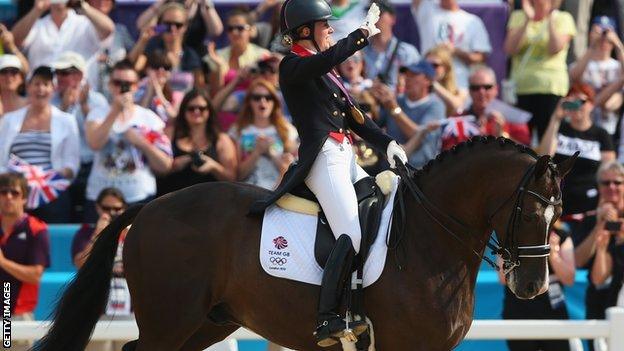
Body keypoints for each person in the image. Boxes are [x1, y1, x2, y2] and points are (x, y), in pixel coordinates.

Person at [251, 1, 407, 346]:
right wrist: (361, 36)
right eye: (325, 25)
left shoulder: (326, 72)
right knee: (350, 233)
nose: (330, 29)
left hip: (346, 155)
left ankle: (360, 296)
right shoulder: (293, 65)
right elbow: (328, 57)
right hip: (322, 158)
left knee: (379, 211)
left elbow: (355, 117)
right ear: (305, 31)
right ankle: (327, 318)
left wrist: (388, 143)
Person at [84, 60, 173, 223]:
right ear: (110, 85)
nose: (122, 88)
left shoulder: (149, 119)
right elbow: (94, 143)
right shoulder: (97, 114)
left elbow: (165, 166)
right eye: (118, 83)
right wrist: (115, 112)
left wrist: (141, 142)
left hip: (138, 197)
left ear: (136, 86)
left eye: (128, 84)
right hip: (101, 199)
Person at [0, 66, 80, 223]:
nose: (41, 89)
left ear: (53, 88)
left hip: (52, 194)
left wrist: (49, 176)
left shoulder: (67, 121)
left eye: (46, 84)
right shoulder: (9, 120)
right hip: (15, 193)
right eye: (36, 84)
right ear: (28, 87)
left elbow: (72, 163)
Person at [537, 83, 615, 216]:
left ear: (591, 104)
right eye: (572, 102)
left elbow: (608, 172)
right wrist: (556, 118)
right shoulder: (559, 129)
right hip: (557, 199)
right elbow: (544, 156)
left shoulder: (601, 135)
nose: (577, 106)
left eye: (581, 101)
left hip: (590, 202)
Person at [570, 161, 624, 351]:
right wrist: (598, 227)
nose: (612, 187)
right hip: (598, 303)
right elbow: (577, 260)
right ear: (598, 186)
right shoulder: (590, 220)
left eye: (617, 182)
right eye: (605, 182)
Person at [499, 220, 576, 351]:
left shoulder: (561, 235)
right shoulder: (511, 236)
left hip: (553, 310)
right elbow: (502, 277)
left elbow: (569, 278)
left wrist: (553, 254)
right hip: (520, 308)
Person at [504, 0, 576, 139]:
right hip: (521, 89)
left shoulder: (563, 18)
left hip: (551, 88)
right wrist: (527, 20)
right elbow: (510, 49)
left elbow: (554, 48)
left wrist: (549, 18)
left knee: (548, 139)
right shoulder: (518, 16)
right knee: (520, 141)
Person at [51, 52, 108, 222]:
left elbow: (100, 133)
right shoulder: (52, 100)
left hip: (91, 165)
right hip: (63, 166)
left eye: (64, 72)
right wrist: (64, 107)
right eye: (58, 73)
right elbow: (52, 135)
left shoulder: (97, 100)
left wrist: (83, 106)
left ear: (79, 75)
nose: (59, 77)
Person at [71, 187, 130, 351]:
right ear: (97, 208)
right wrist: (98, 233)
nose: (112, 213)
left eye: (117, 209)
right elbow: (81, 264)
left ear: (124, 209)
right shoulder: (85, 233)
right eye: (106, 208)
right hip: (97, 312)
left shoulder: (134, 234)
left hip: (130, 308)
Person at [11, 0, 115, 88]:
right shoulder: (37, 25)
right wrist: (37, 10)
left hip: (80, 98)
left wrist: (82, 5)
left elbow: (108, 29)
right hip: (43, 95)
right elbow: (14, 40)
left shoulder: (85, 23)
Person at [0, 173, 50, 351]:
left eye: (14, 192)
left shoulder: (36, 228)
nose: (8, 197)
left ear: (25, 198)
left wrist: (3, 262)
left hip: (13, 315)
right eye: (3, 192)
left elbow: (35, 275)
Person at [157, 89, 237, 195]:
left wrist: (213, 166)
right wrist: (172, 166)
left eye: (202, 108)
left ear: (209, 111)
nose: (196, 112)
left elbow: (232, 179)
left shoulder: (221, 139)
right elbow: (156, 170)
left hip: (210, 203)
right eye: (191, 108)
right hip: (171, 201)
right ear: (183, 111)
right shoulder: (169, 134)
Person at [372, 60, 445, 168]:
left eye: (414, 75)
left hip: (420, 172)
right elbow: (375, 124)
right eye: (407, 74)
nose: (407, 78)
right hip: (389, 171)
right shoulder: (396, 100)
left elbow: (417, 133)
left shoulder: (435, 105)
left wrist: (394, 109)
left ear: (428, 80)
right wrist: (372, 101)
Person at [231, 79, 297, 190]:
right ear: (249, 102)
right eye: (257, 98)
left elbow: (292, 171)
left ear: (275, 101)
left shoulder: (287, 129)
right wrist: (256, 152)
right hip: (247, 195)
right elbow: (237, 175)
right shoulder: (237, 131)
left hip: (278, 194)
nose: (263, 101)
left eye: (268, 97)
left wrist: (271, 153)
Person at [411, 0, 491, 89]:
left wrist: (456, 51)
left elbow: (481, 57)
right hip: (428, 85)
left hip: (459, 86)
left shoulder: (473, 21)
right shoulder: (427, 11)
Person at [569, 16, 624, 136]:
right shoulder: (582, 63)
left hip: (608, 129)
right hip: (580, 127)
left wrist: (618, 44)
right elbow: (573, 77)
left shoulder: (617, 66)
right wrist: (593, 45)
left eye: (608, 33)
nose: (603, 39)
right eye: (599, 32)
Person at [461, 65, 531, 145]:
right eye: (475, 88)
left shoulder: (515, 118)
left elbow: (527, 153)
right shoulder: (459, 119)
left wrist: (502, 135)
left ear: (496, 89)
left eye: (487, 87)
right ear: (469, 91)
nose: (481, 92)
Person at [362, 0, 420, 90]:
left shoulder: (407, 53)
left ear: (393, 19)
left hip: (397, 102)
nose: (373, 19)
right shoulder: (360, 52)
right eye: (369, 15)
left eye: (378, 14)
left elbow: (416, 85)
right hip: (366, 102)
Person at [136, 0, 223, 58]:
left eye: (178, 25)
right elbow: (142, 26)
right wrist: (160, 2)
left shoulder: (202, 7)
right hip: (165, 55)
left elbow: (216, 31)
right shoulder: (167, 7)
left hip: (195, 57)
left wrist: (207, 4)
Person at [425, 44, 468, 116]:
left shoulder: (460, 90)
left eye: (435, 65)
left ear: (446, 68)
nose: (430, 69)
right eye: (426, 65)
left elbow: (458, 106)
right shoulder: (420, 88)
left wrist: (433, 84)